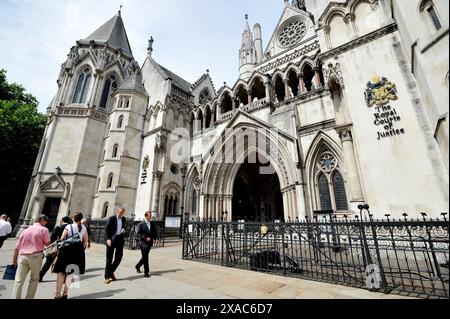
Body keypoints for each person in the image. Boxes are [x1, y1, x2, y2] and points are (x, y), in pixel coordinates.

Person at [11, 215, 51, 299]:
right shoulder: (44, 229)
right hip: (35, 256)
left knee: (18, 280)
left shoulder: (25, 230)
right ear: (42, 220)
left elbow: (16, 247)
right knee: (34, 279)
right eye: (46, 221)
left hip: (23, 256)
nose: (46, 223)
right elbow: (47, 244)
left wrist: (14, 261)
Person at [52, 212, 88, 299]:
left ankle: (57, 294)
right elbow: (85, 241)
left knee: (61, 272)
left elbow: (62, 238)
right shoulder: (83, 227)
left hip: (66, 251)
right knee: (70, 273)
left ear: (73, 218)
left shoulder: (69, 226)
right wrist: (80, 249)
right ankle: (65, 293)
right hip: (77, 252)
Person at [39, 216, 72, 282]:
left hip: (56, 247)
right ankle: (63, 279)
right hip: (66, 248)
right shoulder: (71, 228)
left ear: (62, 221)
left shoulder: (58, 227)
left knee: (48, 263)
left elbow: (52, 237)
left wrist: (51, 245)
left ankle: (40, 276)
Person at [104, 208, 127, 284]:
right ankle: (107, 277)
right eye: (120, 212)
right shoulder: (111, 218)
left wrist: (124, 229)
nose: (122, 214)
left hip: (119, 239)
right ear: (117, 212)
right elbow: (106, 230)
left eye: (123, 213)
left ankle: (111, 271)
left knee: (119, 257)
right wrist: (107, 239)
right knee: (109, 259)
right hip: (111, 240)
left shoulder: (124, 219)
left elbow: (124, 226)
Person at [135, 212, 158, 278]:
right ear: (146, 216)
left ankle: (137, 266)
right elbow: (138, 233)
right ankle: (146, 272)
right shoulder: (141, 224)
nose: (151, 216)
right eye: (150, 215)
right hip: (143, 243)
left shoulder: (152, 223)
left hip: (150, 243)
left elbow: (154, 232)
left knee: (145, 256)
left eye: (151, 215)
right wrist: (145, 238)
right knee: (146, 257)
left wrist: (156, 239)